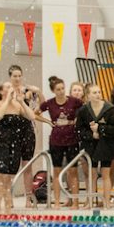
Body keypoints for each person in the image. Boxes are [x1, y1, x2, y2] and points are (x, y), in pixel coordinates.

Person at [35, 76, 82, 209]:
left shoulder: (74, 101)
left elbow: (85, 111)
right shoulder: (49, 103)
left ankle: (76, 202)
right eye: (58, 89)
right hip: (56, 140)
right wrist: (49, 122)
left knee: (73, 171)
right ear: (53, 91)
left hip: (72, 139)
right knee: (56, 171)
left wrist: (75, 121)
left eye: (62, 88)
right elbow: (35, 114)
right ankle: (56, 202)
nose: (61, 91)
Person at [0, 82, 37, 213]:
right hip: (2, 144)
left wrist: (22, 102)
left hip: (15, 144)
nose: (11, 88)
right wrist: (7, 99)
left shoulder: (18, 106)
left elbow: (31, 116)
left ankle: (7, 207)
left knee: (10, 176)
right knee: (0, 176)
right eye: (7, 87)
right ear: (1, 91)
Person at [6, 65, 41, 207]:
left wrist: (37, 91)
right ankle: (10, 199)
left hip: (26, 131)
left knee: (27, 166)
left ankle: (28, 199)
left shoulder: (28, 92)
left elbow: (35, 110)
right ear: (10, 76)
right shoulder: (6, 92)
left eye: (19, 75)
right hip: (12, 132)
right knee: (10, 167)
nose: (17, 78)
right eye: (14, 76)